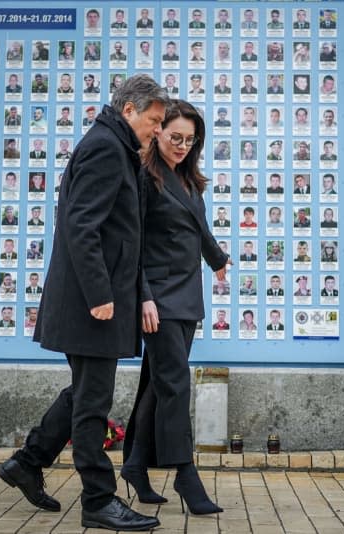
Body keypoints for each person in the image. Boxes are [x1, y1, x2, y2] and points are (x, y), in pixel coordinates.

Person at [0, 74, 167, 532]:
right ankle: (98, 500)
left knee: (83, 392)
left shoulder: (114, 145)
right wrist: (100, 296)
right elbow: (80, 226)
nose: (157, 130)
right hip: (95, 304)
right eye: (154, 120)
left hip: (99, 301)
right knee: (94, 400)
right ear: (130, 110)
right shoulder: (106, 149)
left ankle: (27, 463)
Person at [121, 100, 228, 516]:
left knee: (156, 383)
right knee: (175, 382)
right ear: (158, 133)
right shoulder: (145, 178)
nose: (182, 146)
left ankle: (133, 466)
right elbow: (135, 241)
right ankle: (185, 473)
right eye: (174, 137)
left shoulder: (188, 179)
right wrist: (143, 294)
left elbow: (199, 229)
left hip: (187, 297)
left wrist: (217, 259)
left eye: (190, 139)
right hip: (158, 299)